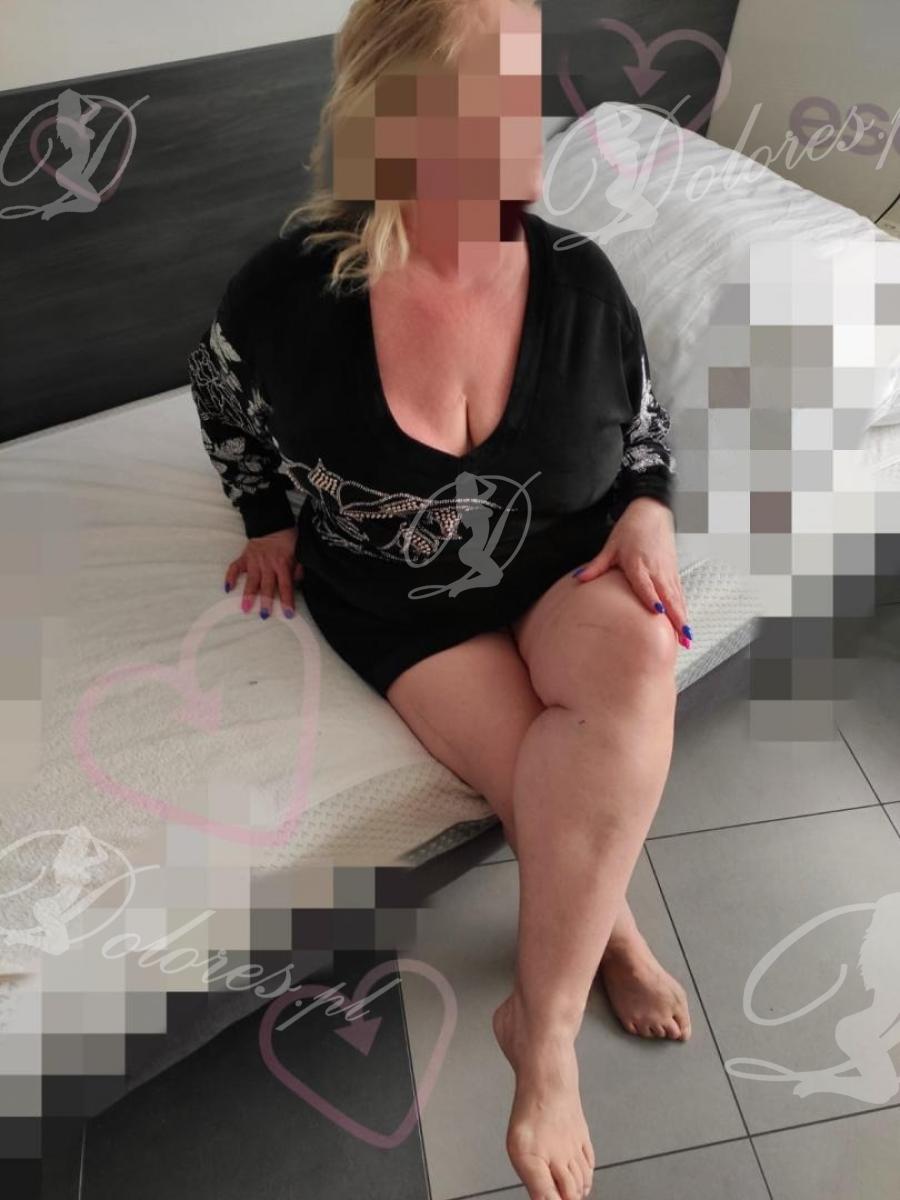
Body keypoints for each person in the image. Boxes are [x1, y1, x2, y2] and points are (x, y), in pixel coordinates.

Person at [188, 2, 694, 1196]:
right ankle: (603, 940)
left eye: (529, 86)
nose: (529, 121)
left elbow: (642, 421)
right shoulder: (292, 291)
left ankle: (539, 1028)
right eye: (490, 97)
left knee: (639, 662)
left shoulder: (580, 283)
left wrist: (649, 507)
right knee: (537, 766)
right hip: (402, 604)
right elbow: (220, 397)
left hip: (563, 561)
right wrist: (265, 519)